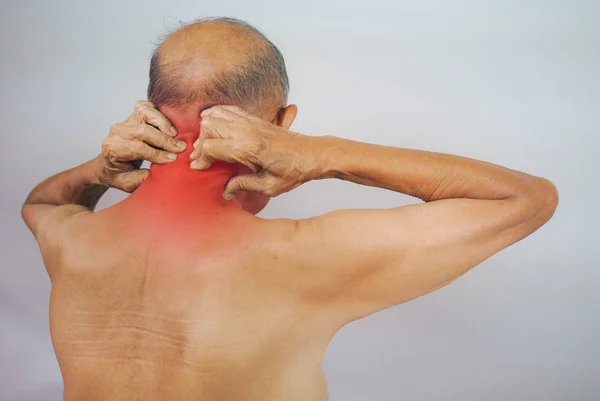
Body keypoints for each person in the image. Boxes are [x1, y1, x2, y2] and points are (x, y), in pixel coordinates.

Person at [21, 17, 558, 401]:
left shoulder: (73, 241)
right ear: (282, 121)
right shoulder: (302, 258)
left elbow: (40, 201)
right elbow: (527, 198)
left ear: (149, 115)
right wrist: (318, 155)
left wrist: (100, 170)